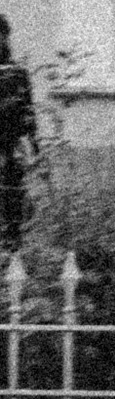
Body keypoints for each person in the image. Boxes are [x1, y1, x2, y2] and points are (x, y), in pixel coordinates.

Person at [0, 17, 32, 251]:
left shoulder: (18, 74)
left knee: (12, 196)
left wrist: (31, 144)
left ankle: (12, 246)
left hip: (11, 147)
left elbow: (28, 113)